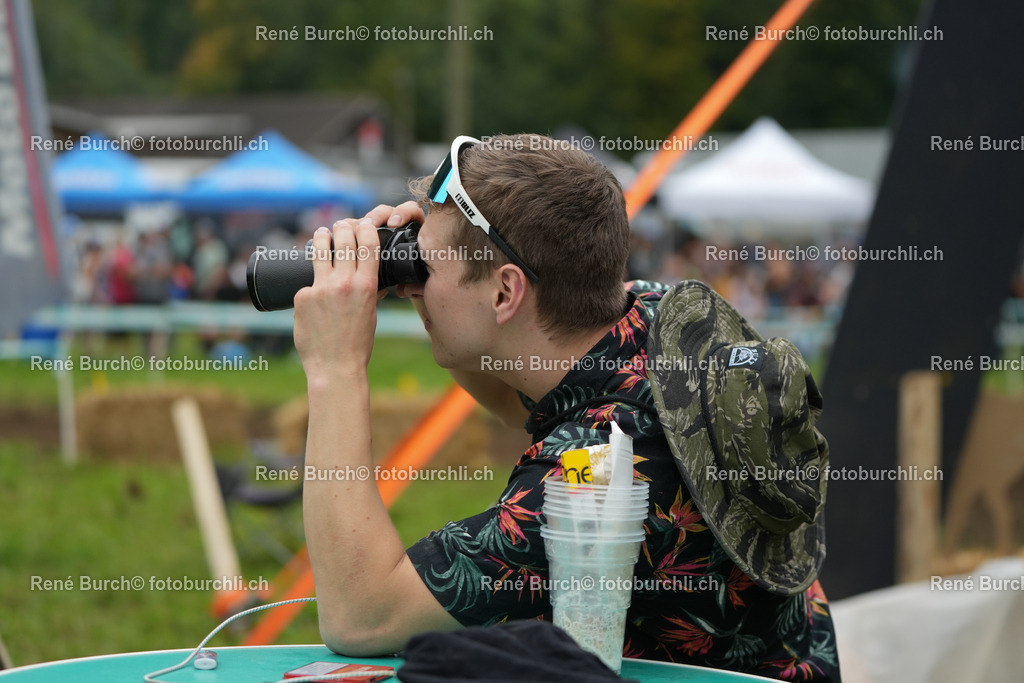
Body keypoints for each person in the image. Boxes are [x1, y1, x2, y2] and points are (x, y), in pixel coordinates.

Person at [294, 134, 840, 680]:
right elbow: (517, 397)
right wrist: (426, 278)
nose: (415, 283)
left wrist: (335, 366)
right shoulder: (656, 317)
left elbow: (361, 616)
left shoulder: (597, 475)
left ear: (506, 292)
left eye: (424, 267)